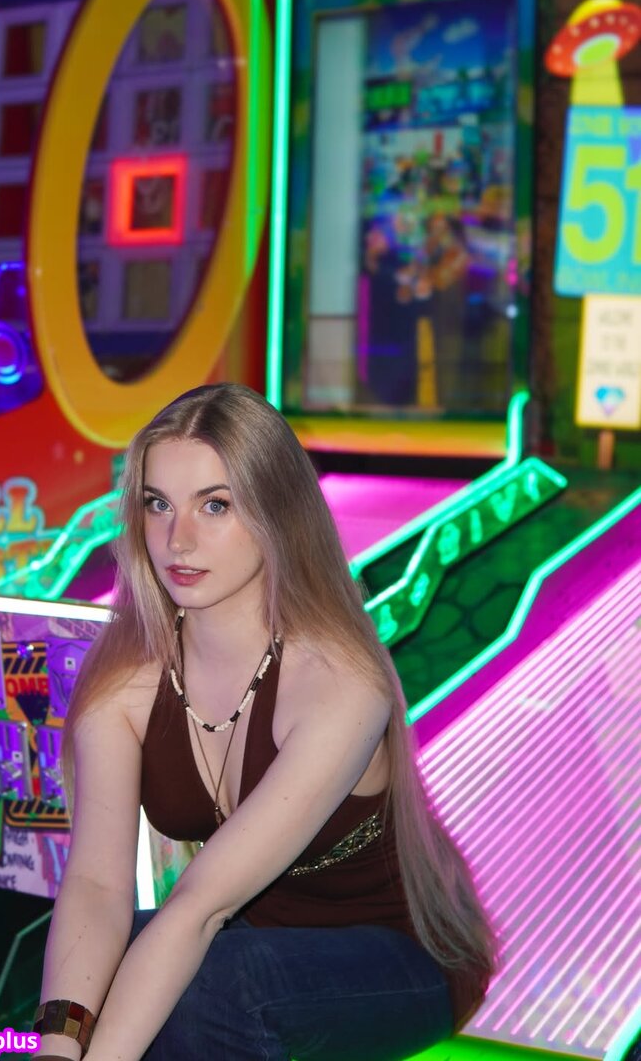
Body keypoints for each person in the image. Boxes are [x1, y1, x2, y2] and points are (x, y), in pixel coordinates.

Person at [33, 383, 497, 1061]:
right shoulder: (126, 675)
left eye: (215, 505)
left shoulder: (338, 682)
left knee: (208, 988)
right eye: (158, 504)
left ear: (276, 511)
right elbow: (96, 887)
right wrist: (59, 1046)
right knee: (76, 974)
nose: (177, 539)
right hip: (247, 940)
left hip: (400, 958)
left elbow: (199, 908)